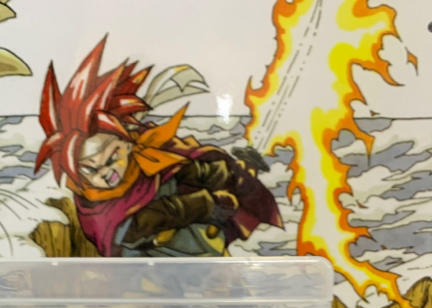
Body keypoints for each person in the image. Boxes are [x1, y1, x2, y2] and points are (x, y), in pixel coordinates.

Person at [35, 38, 282, 257]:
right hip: (151, 270)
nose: (105, 173)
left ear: (127, 145)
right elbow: (137, 226)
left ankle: (246, 166)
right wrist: (205, 204)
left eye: (111, 159)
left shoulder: (146, 158)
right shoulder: (94, 202)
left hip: (201, 251)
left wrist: (217, 178)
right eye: (91, 169)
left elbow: (187, 169)